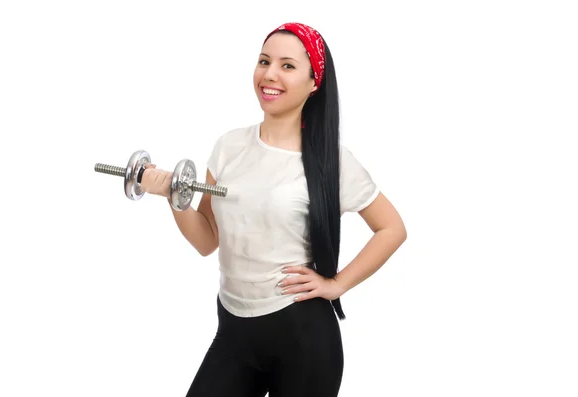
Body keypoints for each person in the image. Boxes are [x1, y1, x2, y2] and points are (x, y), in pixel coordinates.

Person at [140, 22, 407, 397]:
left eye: (287, 66)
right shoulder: (228, 146)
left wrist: (336, 285)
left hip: (302, 336)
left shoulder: (332, 161)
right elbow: (207, 240)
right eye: (264, 61)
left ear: (315, 83)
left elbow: (392, 229)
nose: (270, 74)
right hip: (233, 330)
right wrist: (173, 195)